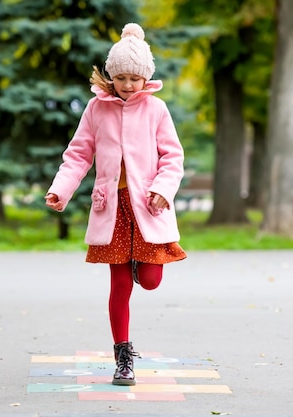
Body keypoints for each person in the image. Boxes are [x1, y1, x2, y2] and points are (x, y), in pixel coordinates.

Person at [44, 22, 186, 386]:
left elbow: (172, 156)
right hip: (113, 208)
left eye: (134, 78)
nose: (127, 84)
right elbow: (78, 155)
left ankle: (143, 263)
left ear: (145, 78)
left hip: (149, 205)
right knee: (119, 284)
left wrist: (163, 189)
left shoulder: (156, 109)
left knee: (151, 280)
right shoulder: (96, 108)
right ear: (110, 74)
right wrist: (61, 190)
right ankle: (123, 356)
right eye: (120, 76)